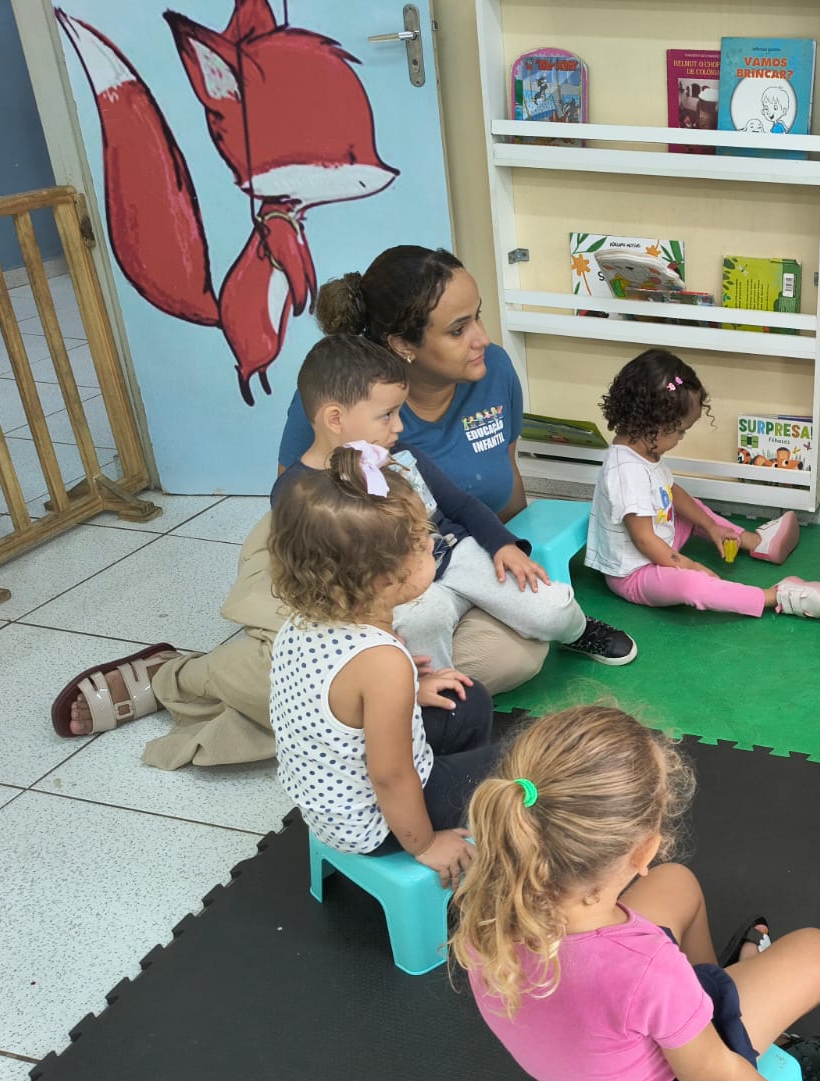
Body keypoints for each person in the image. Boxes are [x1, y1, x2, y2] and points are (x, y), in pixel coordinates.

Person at [52, 245, 562, 764]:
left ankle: (335, 708)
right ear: (402, 345)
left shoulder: (493, 370)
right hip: (329, 550)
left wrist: (501, 555)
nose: (482, 338)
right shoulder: (344, 396)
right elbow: (303, 512)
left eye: (478, 316)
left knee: (516, 655)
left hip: (431, 557)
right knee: (341, 666)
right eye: (458, 329)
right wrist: (375, 607)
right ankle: (179, 677)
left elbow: (504, 477)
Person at [452, 705, 820, 1081]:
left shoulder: (486, 906)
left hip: (571, 1069)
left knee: (677, 883)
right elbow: (711, 1075)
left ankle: (701, 1000)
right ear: (644, 851)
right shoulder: (646, 967)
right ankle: (714, 1008)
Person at [275, 334, 632, 667]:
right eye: (386, 416)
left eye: (399, 412)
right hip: (400, 589)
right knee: (419, 626)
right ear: (335, 419)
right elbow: (316, 570)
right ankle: (444, 695)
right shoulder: (297, 492)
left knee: (548, 607)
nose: (398, 427)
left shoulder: (402, 454)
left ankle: (578, 631)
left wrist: (503, 545)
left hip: (458, 553)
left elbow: (461, 505)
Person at [268, 447, 501, 888]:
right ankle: (453, 826)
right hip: (373, 824)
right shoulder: (382, 662)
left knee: (468, 698)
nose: (431, 541)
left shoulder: (303, 622)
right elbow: (391, 776)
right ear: (381, 578)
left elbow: (341, 708)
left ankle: (455, 803)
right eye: (419, 540)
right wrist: (425, 844)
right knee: (518, 766)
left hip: (331, 800)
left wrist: (413, 693)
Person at [586, 349, 820, 620]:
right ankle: (773, 596)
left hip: (659, 542)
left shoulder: (643, 450)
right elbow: (643, 539)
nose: (681, 438)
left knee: (690, 507)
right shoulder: (627, 470)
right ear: (653, 424)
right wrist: (688, 566)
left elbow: (671, 492)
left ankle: (756, 543)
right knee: (691, 586)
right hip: (635, 573)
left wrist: (711, 526)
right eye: (680, 431)